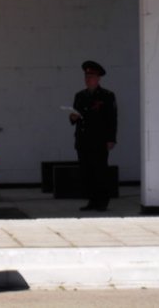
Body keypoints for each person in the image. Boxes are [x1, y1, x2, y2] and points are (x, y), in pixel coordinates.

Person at [69, 60, 118, 212]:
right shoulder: (80, 96)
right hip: (83, 140)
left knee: (100, 171)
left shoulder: (106, 96)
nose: (88, 79)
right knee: (87, 172)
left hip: (99, 140)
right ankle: (92, 200)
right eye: (86, 77)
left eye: (91, 77)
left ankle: (102, 202)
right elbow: (74, 116)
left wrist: (111, 138)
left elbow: (112, 118)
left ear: (98, 78)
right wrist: (72, 117)